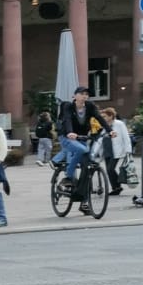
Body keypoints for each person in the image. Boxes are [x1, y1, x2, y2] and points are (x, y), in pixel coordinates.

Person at [56, 86, 111, 215]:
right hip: (67, 137)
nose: (85, 96)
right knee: (83, 150)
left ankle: (83, 201)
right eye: (81, 93)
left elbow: (100, 118)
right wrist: (70, 132)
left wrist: (110, 130)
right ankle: (68, 176)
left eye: (86, 94)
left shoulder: (90, 106)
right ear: (75, 96)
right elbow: (67, 120)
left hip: (81, 137)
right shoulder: (68, 106)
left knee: (87, 167)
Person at [105, 105, 133, 196]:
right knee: (108, 170)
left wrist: (128, 150)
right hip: (107, 150)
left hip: (116, 150)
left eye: (105, 116)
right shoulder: (103, 125)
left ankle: (118, 186)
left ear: (110, 116)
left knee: (110, 169)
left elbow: (126, 137)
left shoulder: (119, 124)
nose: (103, 118)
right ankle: (115, 188)